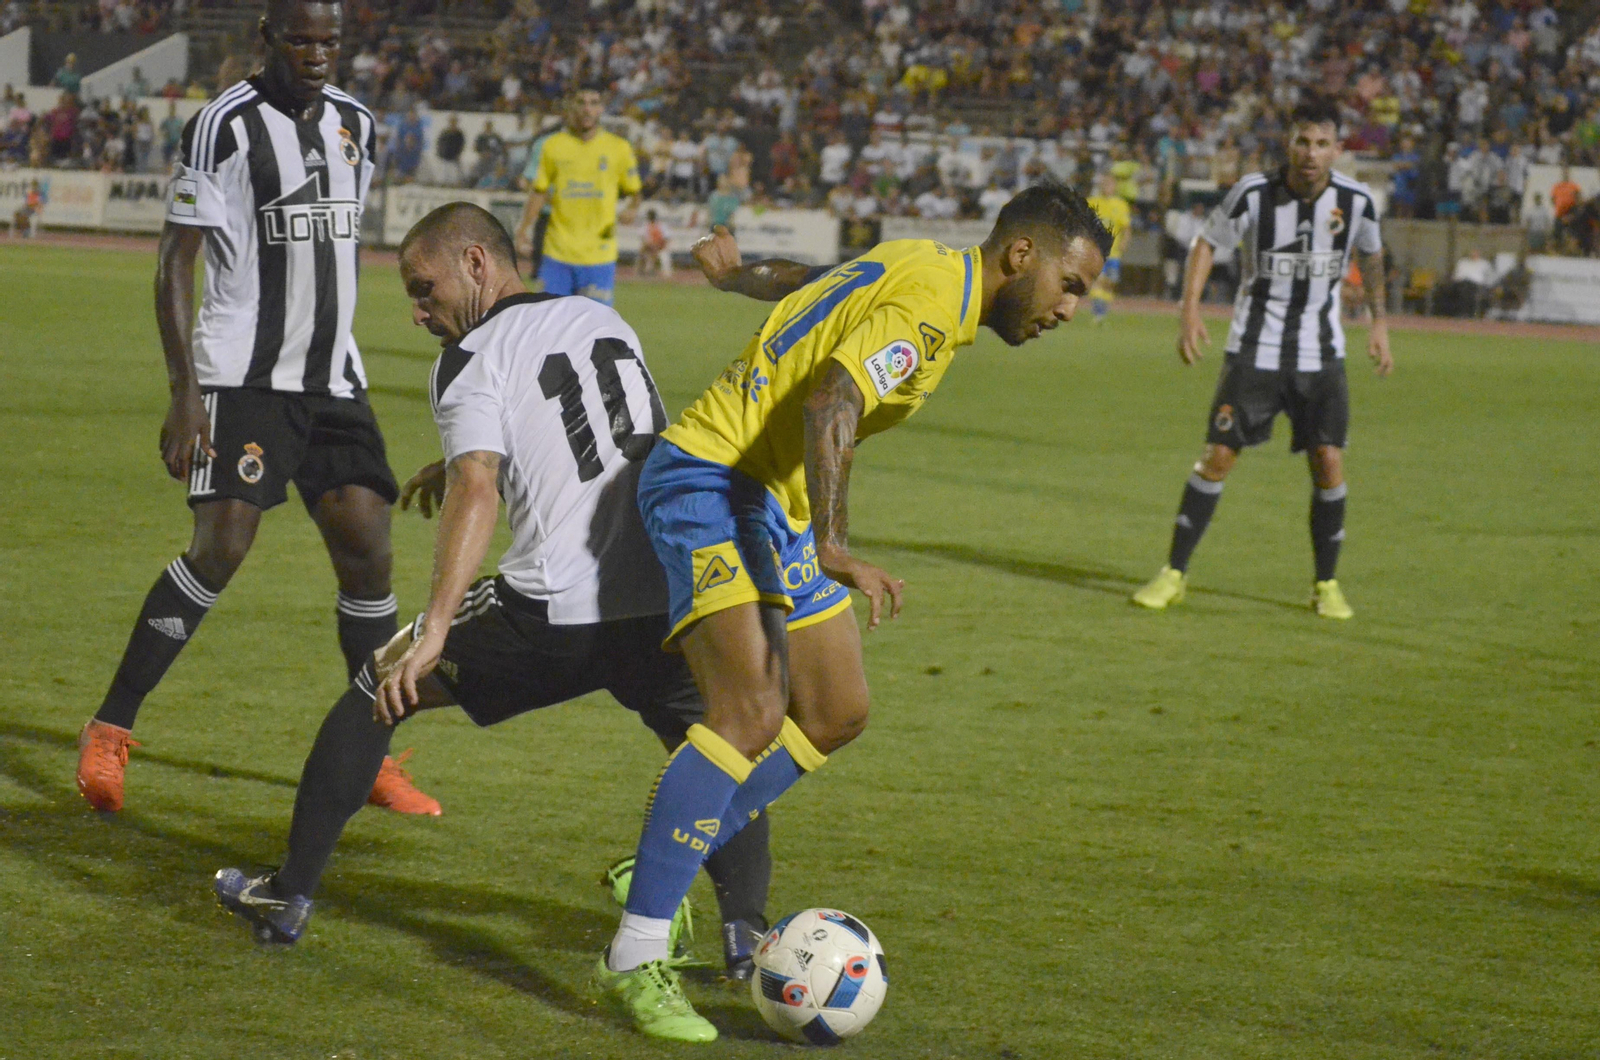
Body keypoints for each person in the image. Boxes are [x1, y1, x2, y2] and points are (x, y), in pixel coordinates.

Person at [594, 181, 1110, 1041]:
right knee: (750, 712)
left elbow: (816, 277)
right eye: (1072, 284)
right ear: (1022, 256)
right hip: (714, 479)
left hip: (771, 497)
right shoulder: (935, 313)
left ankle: (664, 863)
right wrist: (834, 545)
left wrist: (734, 278)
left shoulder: (927, 261)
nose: (1069, 307)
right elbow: (833, 397)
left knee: (836, 710)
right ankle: (635, 951)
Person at [214, 203, 777, 984]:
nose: (418, 313)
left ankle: (286, 896)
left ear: (476, 263)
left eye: (424, 288)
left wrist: (437, 624)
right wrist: (455, 463)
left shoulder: (472, 355)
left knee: (378, 684)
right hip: (657, 599)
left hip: (552, 611)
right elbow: (599, 436)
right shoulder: (600, 318)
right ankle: (752, 935)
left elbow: (480, 485)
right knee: (718, 748)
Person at [76, 0, 438, 817]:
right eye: (301, 38)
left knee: (370, 555)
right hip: (242, 375)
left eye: (330, 40)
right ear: (268, 39)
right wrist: (185, 391)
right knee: (222, 547)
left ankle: (369, 753)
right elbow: (177, 257)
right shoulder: (224, 125)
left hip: (334, 379)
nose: (317, 52)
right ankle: (109, 730)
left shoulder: (358, 123)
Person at [1131, 98, 1394, 619]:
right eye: (1303, 141)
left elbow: (1372, 253)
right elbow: (1206, 244)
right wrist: (1190, 312)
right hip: (1255, 350)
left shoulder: (1357, 201)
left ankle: (1326, 584)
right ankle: (1174, 573)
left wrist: (1380, 323)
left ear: (1338, 150)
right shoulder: (1253, 193)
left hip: (1322, 355)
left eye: (1322, 144)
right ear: (1288, 144)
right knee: (1218, 455)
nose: (1311, 153)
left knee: (1328, 462)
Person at [513, 83, 641, 306]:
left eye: (594, 103)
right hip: (557, 252)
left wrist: (632, 208)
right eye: (580, 102)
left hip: (599, 254)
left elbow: (634, 192)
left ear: (601, 109)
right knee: (549, 325)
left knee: (594, 330)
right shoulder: (552, 146)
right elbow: (539, 192)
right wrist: (523, 229)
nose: (587, 109)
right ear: (569, 107)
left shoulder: (618, 148)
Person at [1085, 171, 1130, 324]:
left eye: (1110, 184)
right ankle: (1098, 312)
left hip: (1114, 252)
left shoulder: (1121, 205)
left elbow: (1126, 228)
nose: (1107, 187)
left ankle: (1102, 311)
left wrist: (1125, 242)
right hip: (1097, 251)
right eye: (1104, 184)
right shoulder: (1092, 202)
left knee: (1110, 282)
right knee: (1099, 279)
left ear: (1115, 187)